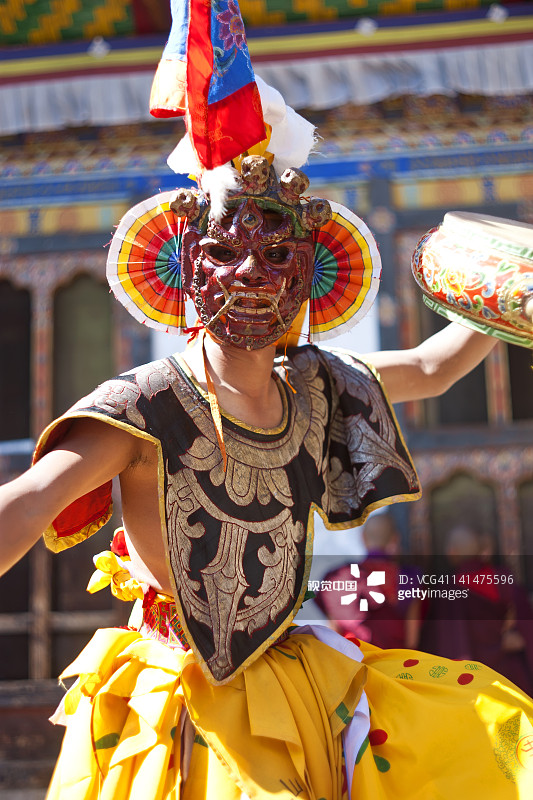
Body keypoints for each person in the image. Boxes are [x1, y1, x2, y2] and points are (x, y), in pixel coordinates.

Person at [2, 2, 533, 796]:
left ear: (311, 271)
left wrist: (502, 289)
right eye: (224, 252)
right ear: (184, 270)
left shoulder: (315, 383)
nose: (251, 275)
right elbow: (33, 497)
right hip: (184, 697)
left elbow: (432, 365)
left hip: (293, 675)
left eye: (277, 252)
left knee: (490, 731)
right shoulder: (145, 403)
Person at [421, 523, 533, 696]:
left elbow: (445, 647)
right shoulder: (505, 581)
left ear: (452, 551)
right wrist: (502, 640)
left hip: (475, 686)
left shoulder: (448, 591)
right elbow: (526, 632)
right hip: (514, 683)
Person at [316, 513, 425, 650]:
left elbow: (333, 634)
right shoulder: (408, 578)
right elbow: (411, 641)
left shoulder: (341, 577)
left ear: (362, 537)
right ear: (395, 539)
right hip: (393, 664)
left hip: (354, 662)